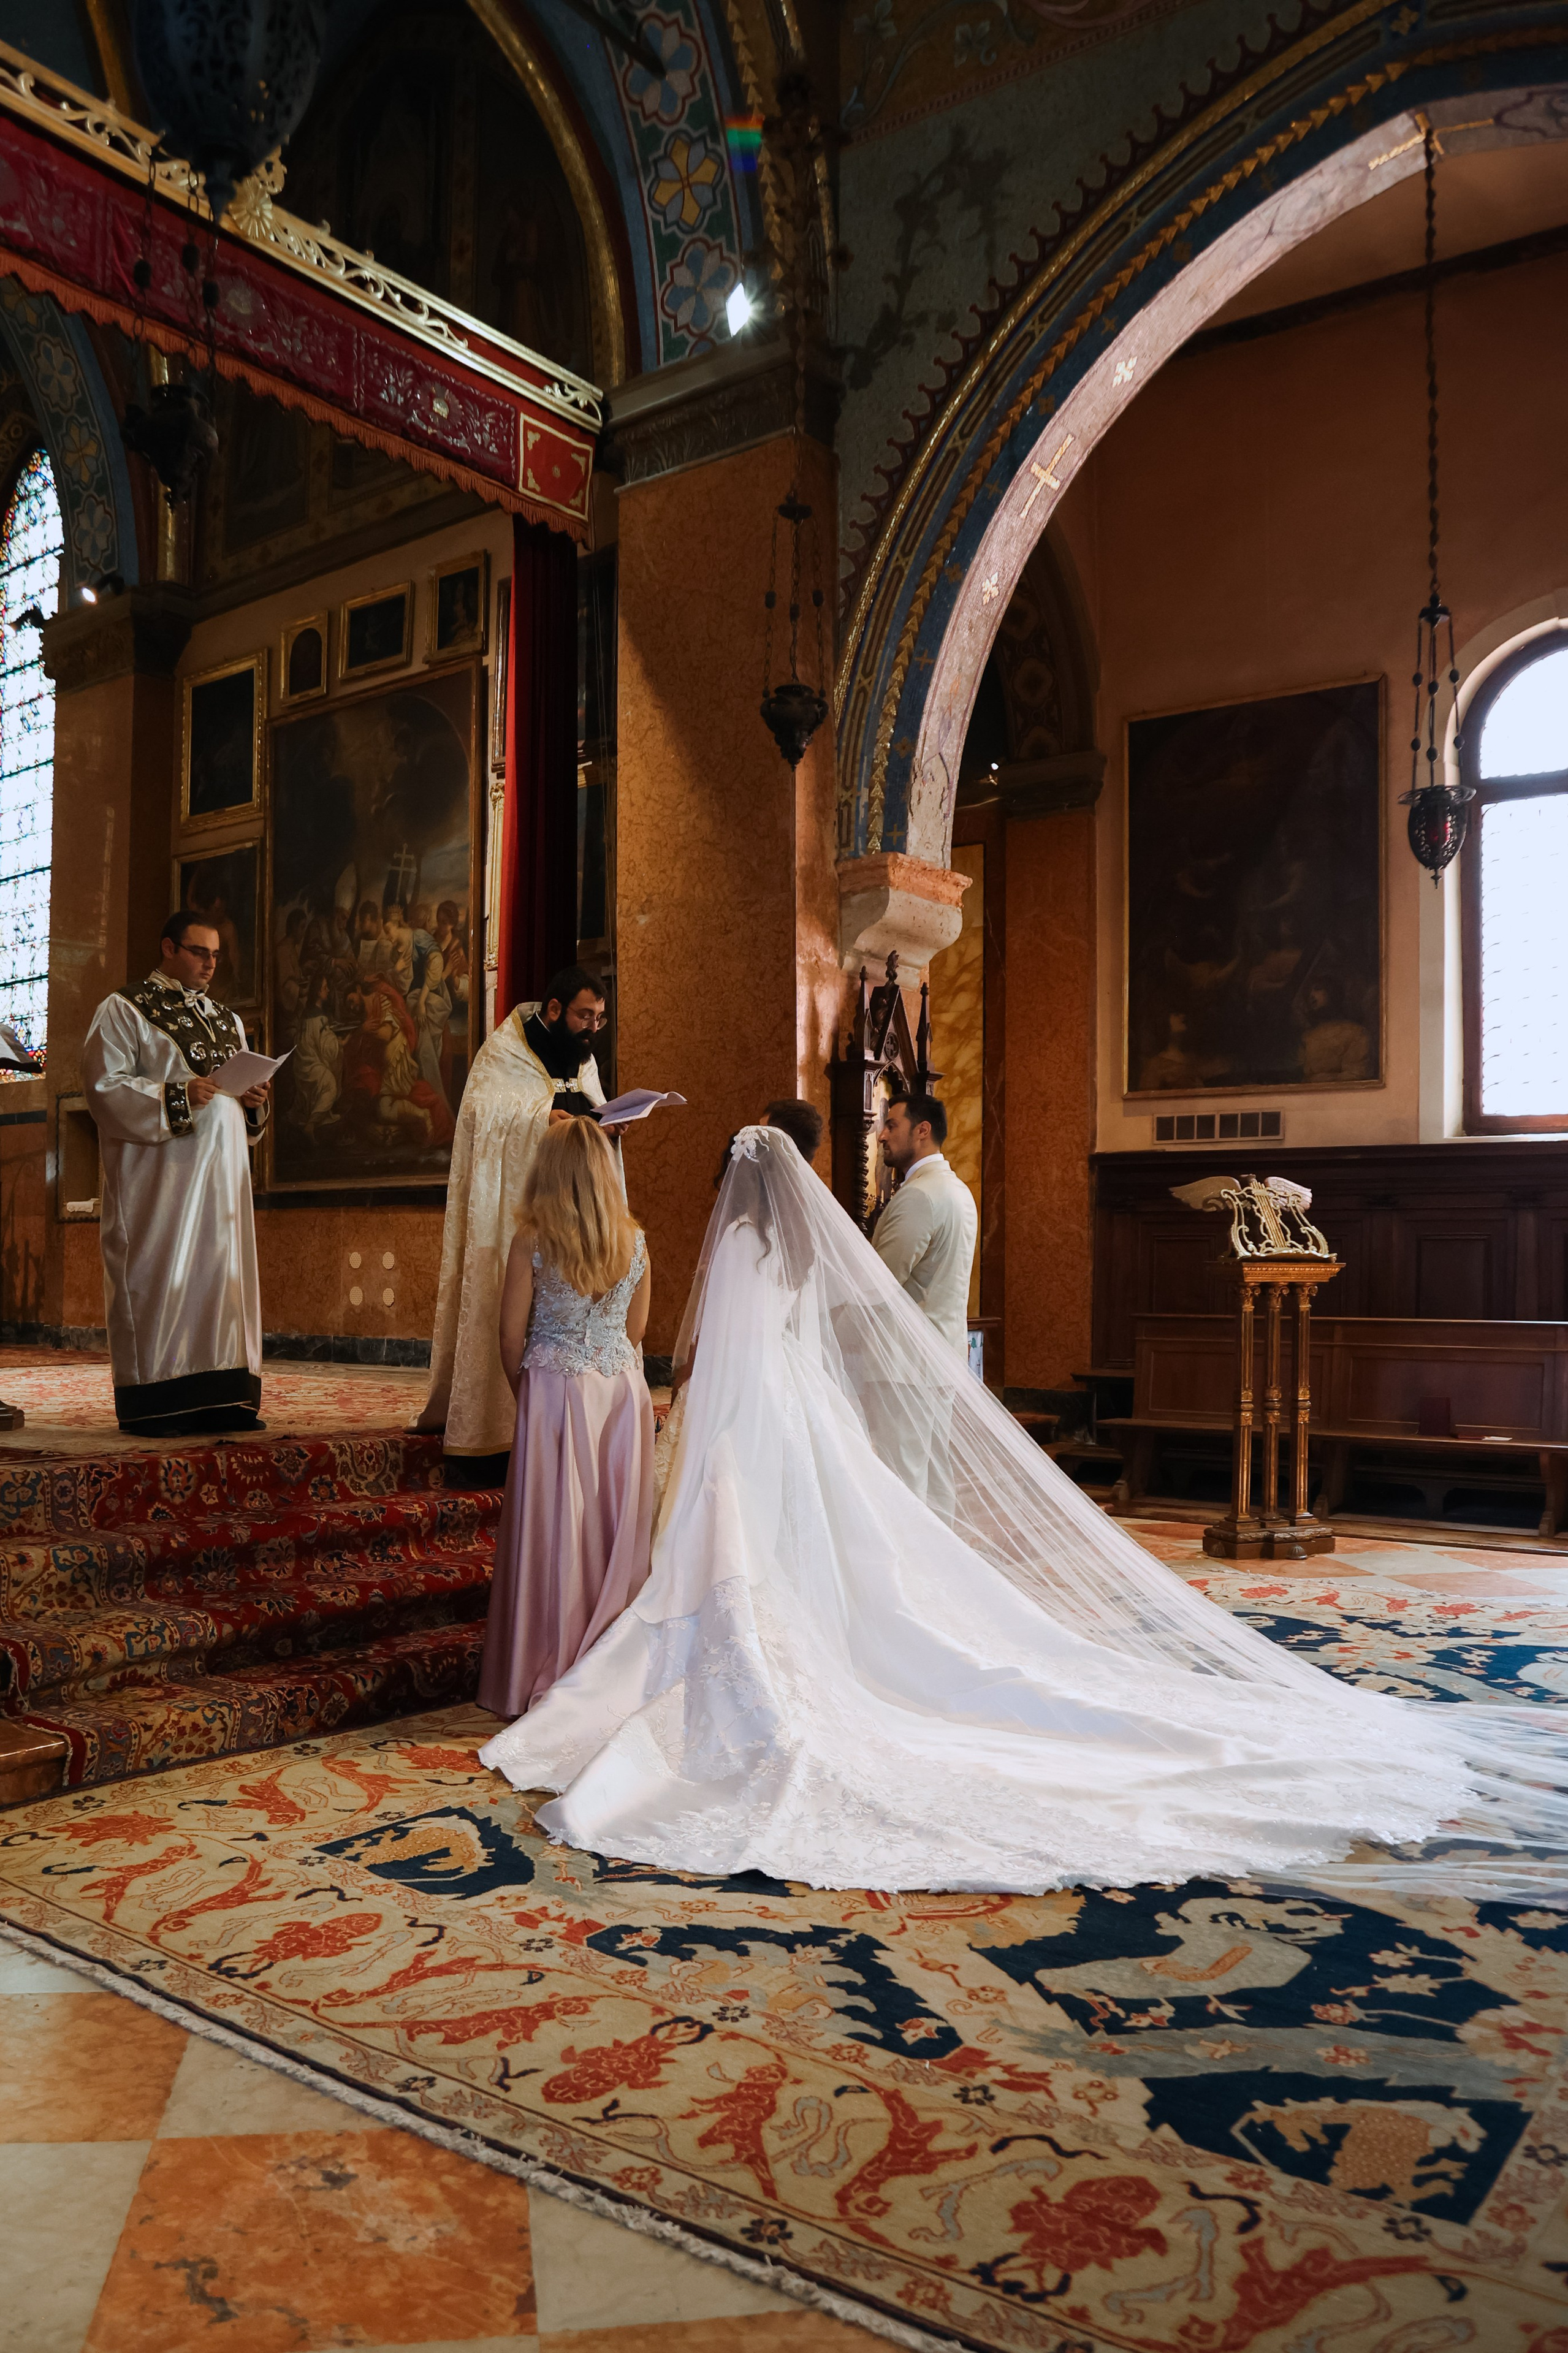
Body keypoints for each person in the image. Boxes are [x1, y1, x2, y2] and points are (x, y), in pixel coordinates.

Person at [481, 1125, 1568, 1901]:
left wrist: (681, 1399)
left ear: (734, 1190)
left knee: (742, 1549)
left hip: (727, 1416)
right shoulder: (799, 1242)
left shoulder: (732, 1246)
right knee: (833, 1536)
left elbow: (700, 1344)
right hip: (789, 1409)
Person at [417, 965, 624, 1483]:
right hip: (521, 1215)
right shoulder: (507, 1050)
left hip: (575, 1213)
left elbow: (590, 1105)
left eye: (599, 1017)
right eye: (584, 1015)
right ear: (555, 1009)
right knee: (508, 1313)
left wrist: (607, 1124)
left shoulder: (584, 1056)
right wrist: (539, 1121)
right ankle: (495, 1434)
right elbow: (482, 1119)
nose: (592, 1027)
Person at [478, 1118, 653, 1716]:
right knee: (609, 1527)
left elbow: (508, 1334)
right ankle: (606, 1654)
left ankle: (548, 1657)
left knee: (559, 1529)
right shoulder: (634, 1238)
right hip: (621, 1390)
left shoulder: (533, 1237)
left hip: (556, 1391)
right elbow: (636, 1334)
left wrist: (529, 1393)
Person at [82, 913, 272, 1436]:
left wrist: (251, 1102)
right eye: (198, 952)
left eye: (215, 955)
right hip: (162, 1187)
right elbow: (103, 1088)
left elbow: (240, 1113)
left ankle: (226, 1397)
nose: (211, 964)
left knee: (222, 1278)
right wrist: (177, 1094)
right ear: (168, 947)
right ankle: (160, 1399)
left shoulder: (227, 1019)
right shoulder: (124, 1009)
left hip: (223, 1185)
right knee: (166, 1277)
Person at [871, 1092, 976, 1355]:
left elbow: (879, 1282)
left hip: (907, 1363)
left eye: (892, 1126)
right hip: (942, 1356)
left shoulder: (920, 1194)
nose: (882, 1136)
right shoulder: (959, 1189)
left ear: (923, 1130)